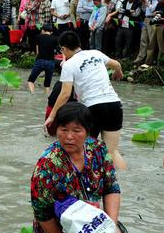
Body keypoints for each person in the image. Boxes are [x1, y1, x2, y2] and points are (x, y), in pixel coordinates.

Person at [31, 102, 123, 233]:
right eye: (63, 129)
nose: (69, 137)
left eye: (76, 130)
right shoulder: (48, 165)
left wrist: (112, 227)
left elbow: (111, 188)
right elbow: (42, 214)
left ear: (88, 131)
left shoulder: (98, 151)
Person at [45, 31, 126, 170]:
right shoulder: (96, 53)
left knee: (86, 149)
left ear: (63, 49)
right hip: (114, 105)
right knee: (112, 151)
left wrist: (52, 116)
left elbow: (65, 93)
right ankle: (123, 181)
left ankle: (87, 181)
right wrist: (119, 73)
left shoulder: (69, 64)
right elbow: (117, 64)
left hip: (92, 108)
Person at [27, 24, 57, 94]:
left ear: (43, 30)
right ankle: (46, 96)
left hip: (40, 60)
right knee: (47, 84)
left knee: (30, 81)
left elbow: (37, 51)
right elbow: (59, 49)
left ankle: (32, 94)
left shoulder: (38, 37)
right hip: (51, 62)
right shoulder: (55, 38)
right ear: (51, 32)